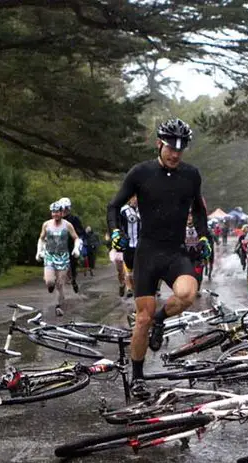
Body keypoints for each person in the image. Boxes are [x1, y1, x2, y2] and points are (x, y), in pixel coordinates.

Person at [105, 118, 209, 399]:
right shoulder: (141, 173)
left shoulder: (191, 175)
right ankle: (137, 376)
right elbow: (114, 205)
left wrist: (203, 236)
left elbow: (199, 210)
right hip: (148, 253)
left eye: (180, 149)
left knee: (188, 294)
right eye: (170, 148)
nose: (175, 154)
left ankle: (161, 320)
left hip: (175, 251)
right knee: (142, 319)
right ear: (159, 144)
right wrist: (115, 233)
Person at [36, 201, 79, 316]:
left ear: (62, 212)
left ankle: (58, 306)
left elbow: (76, 238)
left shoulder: (67, 225)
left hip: (63, 257)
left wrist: (76, 249)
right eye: (53, 212)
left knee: (60, 284)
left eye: (58, 212)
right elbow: (41, 238)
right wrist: (39, 252)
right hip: (49, 255)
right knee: (50, 281)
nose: (55, 214)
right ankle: (50, 285)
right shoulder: (46, 224)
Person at [109, 198, 140, 297]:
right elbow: (115, 225)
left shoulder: (143, 210)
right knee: (122, 270)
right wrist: (117, 236)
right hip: (125, 246)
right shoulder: (124, 210)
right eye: (133, 197)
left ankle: (132, 291)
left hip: (139, 247)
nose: (136, 199)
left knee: (137, 273)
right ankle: (123, 284)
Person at [61, 197, 87, 293]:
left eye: (66, 209)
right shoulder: (56, 219)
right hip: (60, 245)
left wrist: (78, 242)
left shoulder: (74, 219)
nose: (64, 211)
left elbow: (81, 232)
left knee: (72, 264)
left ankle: (73, 280)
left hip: (72, 244)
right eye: (62, 209)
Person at [183, 213, 212, 287]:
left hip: (198, 254)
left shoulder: (200, 228)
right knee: (186, 272)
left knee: (198, 274)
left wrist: (203, 242)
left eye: (191, 216)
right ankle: (188, 287)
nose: (189, 218)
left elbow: (206, 237)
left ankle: (197, 287)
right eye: (188, 216)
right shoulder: (181, 228)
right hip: (186, 254)